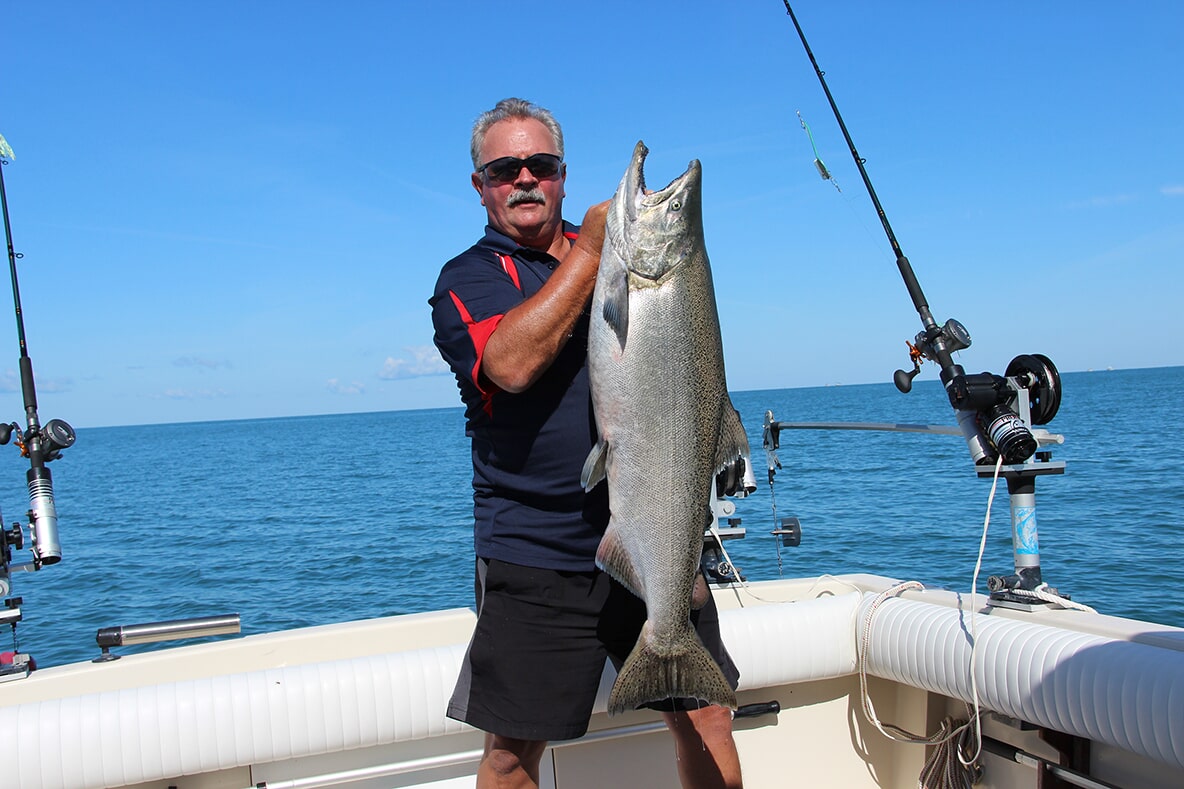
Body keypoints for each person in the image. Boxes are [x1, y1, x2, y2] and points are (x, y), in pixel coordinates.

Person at [430, 97, 743, 789]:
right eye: (504, 169)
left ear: (563, 176)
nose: (523, 179)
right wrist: (597, 249)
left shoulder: (615, 256)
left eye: (539, 165)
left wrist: (602, 247)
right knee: (513, 752)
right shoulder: (467, 280)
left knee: (708, 716)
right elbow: (509, 364)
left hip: (657, 528)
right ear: (480, 186)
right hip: (536, 552)